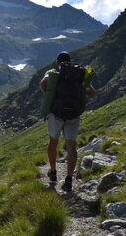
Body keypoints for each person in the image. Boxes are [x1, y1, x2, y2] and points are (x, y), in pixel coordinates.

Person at [39, 51, 95, 192]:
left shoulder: (53, 71)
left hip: (56, 114)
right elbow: (92, 92)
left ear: (58, 62)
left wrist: (51, 96)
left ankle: (53, 172)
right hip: (73, 116)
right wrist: (80, 100)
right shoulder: (79, 73)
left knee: (53, 142)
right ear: (70, 61)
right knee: (72, 145)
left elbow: (43, 84)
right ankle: (69, 179)